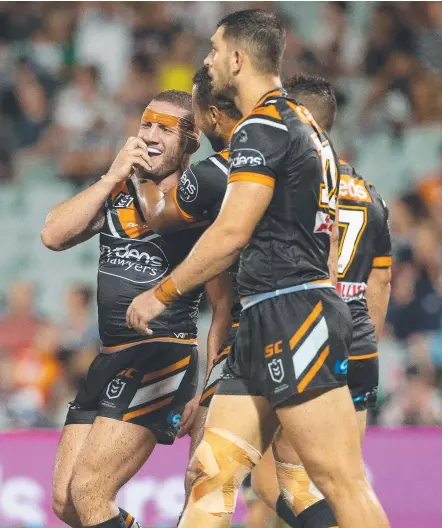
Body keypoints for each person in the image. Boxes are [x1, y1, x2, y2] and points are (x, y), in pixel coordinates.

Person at [126, 9, 390, 528]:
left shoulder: (264, 127)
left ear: (239, 59)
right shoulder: (306, 125)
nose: (208, 59)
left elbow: (230, 233)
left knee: (339, 481)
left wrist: (161, 293)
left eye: (215, 50)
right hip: (270, 315)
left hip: (293, 313)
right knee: (212, 475)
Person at [41, 90, 230, 528]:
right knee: (66, 502)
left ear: (191, 140)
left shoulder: (199, 201)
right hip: (109, 356)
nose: (150, 136)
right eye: (146, 125)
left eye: (165, 129)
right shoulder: (119, 190)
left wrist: (204, 394)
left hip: (162, 353)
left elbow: (223, 306)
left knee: (89, 490)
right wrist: (110, 177)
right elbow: (52, 235)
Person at [250, 73, 393, 528]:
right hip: (359, 339)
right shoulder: (372, 194)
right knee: (347, 482)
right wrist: (363, 338)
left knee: (275, 483)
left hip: (307, 334)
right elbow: (380, 284)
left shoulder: (297, 184)